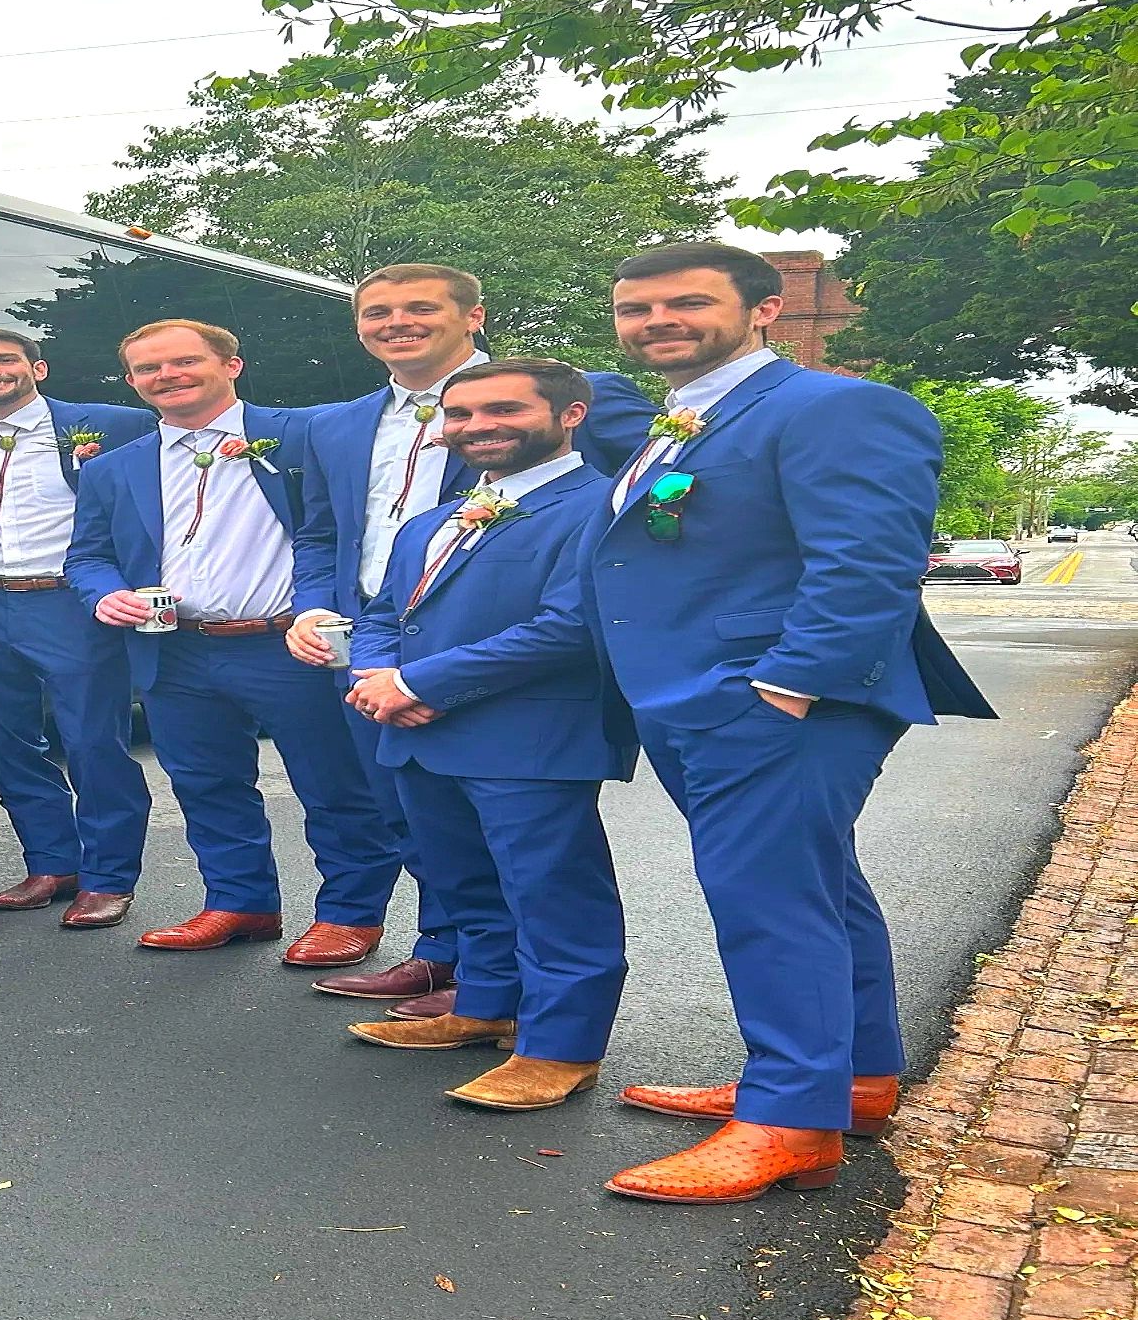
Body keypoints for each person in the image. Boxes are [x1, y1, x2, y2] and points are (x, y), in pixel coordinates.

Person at [587, 243, 995, 1203]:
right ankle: (851, 1081)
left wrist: (786, 685)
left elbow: (869, 561)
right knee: (816, 888)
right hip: (693, 697)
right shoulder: (687, 419)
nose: (658, 322)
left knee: (767, 902)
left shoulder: (835, 407)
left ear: (765, 309)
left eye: (688, 302)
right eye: (636, 308)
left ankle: (791, 1121)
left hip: (774, 702)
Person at [286, 264, 654, 1014]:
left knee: (536, 866)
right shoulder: (335, 427)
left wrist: (423, 680)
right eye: (377, 312)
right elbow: (324, 535)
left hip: (517, 678)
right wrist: (352, 648)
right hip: (379, 658)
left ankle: (547, 1026)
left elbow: (651, 508)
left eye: (420, 307)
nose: (397, 323)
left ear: (473, 315)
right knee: (427, 832)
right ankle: (461, 977)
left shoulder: (575, 414)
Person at [341, 360, 634, 1109]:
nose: (478, 427)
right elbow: (383, 616)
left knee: (553, 897)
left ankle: (562, 1047)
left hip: (529, 739)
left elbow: (571, 628)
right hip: (420, 737)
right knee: (464, 884)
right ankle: (487, 1005)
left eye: (504, 409)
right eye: (461, 414)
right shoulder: (431, 521)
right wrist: (377, 679)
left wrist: (419, 684)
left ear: (571, 415)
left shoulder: (601, 507)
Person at [65, 318, 403, 956]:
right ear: (132, 382)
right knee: (206, 786)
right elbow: (87, 555)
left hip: (286, 645)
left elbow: (332, 529)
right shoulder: (113, 468)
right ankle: (239, 902)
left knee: (333, 786)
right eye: (148, 369)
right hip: (176, 649)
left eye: (185, 361)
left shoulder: (298, 436)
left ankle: (350, 913)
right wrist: (104, 593)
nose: (167, 376)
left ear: (231, 365)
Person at [0, 326, 157, 928]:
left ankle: (108, 876)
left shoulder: (116, 425)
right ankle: (53, 863)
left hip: (72, 601)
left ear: (38, 368)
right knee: (6, 745)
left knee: (94, 743)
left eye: (3, 359)